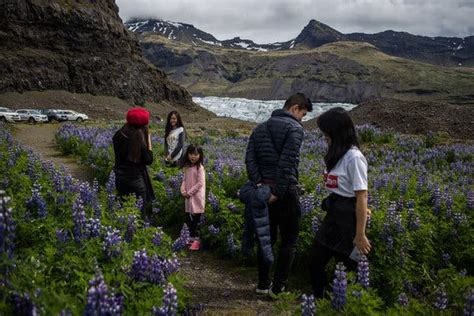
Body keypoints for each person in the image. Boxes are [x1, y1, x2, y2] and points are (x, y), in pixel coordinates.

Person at [245, 92, 313, 297]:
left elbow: (249, 159)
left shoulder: (259, 128)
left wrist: (259, 183)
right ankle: (278, 287)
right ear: (294, 108)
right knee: (289, 240)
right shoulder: (294, 128)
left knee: (266, 238)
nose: (302, 118)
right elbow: (287, 163)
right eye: (303, 113)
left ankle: (263, 284)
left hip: (262, 191)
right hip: (284, 192)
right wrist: (277, 191)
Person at [310, 107, 371, 298]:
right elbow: (341, 185)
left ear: (337, 132)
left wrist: (360, 235)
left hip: (347, 220)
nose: (324, 137)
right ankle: (322, 301)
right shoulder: (338, 154)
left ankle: (343, 305)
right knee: (315, 261)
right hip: (334, 215)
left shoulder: (354, 157)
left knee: (347, 268)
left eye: (326, 133)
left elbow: (361, 196)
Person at [112, 107, 156, 219]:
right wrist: (148, 141)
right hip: (136, 180)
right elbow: (149, 160)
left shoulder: (119, 134)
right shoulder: (139, 140)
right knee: (140, 211)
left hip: (119, 178)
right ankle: (138, 231)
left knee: (123, 207)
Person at [180, 144, 206, 251]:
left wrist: (189, 192)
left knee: (196, 219)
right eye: (191, 154)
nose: (193, 156)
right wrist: (183, 191)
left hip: (196, 197)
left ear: (200, 155)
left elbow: (200, 183)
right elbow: (184, 180)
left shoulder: (200, 168)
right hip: (188, 196)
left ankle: (197, 240)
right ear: (187, 154)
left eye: (195, 154)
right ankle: (190, 237)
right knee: (189, 218)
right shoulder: (187, 167)